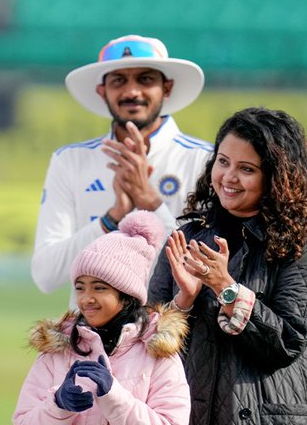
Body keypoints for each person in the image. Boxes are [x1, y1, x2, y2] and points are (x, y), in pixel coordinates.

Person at [148, 106, 307, 425]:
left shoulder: (303, 243)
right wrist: (184, 301)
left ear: (276, 178)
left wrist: (226, 288)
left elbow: (288, 339)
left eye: (246, 168)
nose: (228, 177)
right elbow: (149, 346)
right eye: (222, 162)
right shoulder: (191, 235)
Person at [14, 210, 190, 425]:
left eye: (99, 288)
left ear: (126, 294)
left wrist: (114, 396)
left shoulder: (158, 351)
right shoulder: (58, 351)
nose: (86, 298)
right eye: (80, 287)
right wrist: (58, 405)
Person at [32, 34, 211, 297]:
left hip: (176, 333)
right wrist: (112, 218)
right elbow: (45, 276)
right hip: (93, 335)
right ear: (102, 91)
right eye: (119, 80)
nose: (131, 92)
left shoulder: (206, 160)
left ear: (167, 88)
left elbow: (209, 270)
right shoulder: (70, 160)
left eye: (145, 79)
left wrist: (149, 201)